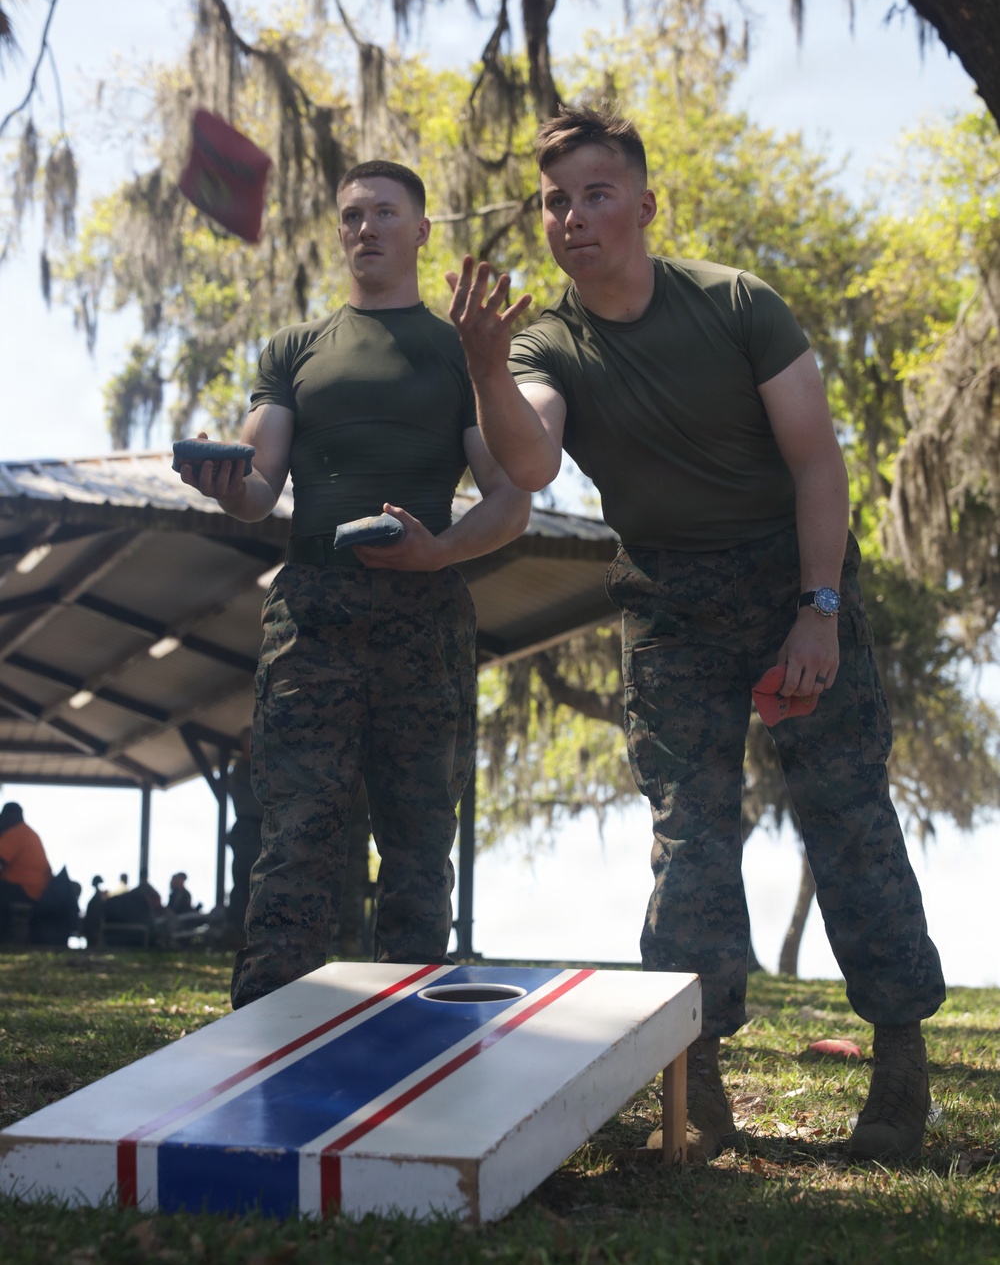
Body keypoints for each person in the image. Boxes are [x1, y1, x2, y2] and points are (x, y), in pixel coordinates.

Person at [448, 104, 945, 1163]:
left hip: (788, 578)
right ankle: (696, 1081)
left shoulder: (735, 304)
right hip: (668, 602)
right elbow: (529, 467)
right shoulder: (545, 339)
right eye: (554, 202)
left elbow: (817, 462)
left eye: (594, 194)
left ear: (642, 205)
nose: (572, 217)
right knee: (689, 830)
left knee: (845, 811)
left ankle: (899, 1075)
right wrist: (485, 365)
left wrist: (816, 609)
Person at [176, 159, 531, 1008]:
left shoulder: (459, 352)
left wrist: (437, 552)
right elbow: (259, 489)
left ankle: (408, 1039)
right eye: (350, 216)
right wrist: (227, 485)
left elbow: (511, 499)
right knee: (297, 832)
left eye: (383, 212)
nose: (365, 228)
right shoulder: (295, 351)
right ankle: (265, 1031)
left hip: (427, 616)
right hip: (314, 618)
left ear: (421, 232)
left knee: (417, 842)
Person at [226, 728, 263, 945]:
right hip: (248, 829)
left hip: (257, 829)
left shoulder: (256, 767)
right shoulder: (242, 768)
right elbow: (255, 803)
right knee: (243, 882)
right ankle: (236, 933)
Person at [0, 801, 53, 939]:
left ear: (12, 815)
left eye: (3, 816)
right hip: (36, 889)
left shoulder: (16, 832)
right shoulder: (27, 832)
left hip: (26, 889)